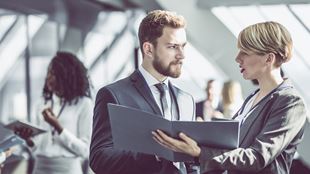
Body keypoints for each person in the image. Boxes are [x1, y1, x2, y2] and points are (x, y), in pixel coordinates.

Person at [152, 21, 307, 174]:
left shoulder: (290, 102)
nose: (237, 58)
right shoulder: (253, 98)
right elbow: (231, 148)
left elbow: (258, 157)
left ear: (269, 58)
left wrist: (199, 152)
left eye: (245, 52)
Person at [89, 10, 198, 174]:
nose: (181, 55)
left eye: (183, 46)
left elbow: (190, 164)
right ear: (148, 49)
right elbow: (99, 158)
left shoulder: (187, 100)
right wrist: (157, 153)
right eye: (173, 47)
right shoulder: (113, 94)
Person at [16, 52, 93, 174]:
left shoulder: (84, 104)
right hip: (40, 168)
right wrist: (29, 140)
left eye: (53, 74)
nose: (48, 77)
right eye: (48, 72)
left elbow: (85, 150)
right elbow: (37, 146)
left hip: (67, 169)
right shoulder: (41, 103)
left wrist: (58, 127)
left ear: (66, 76)